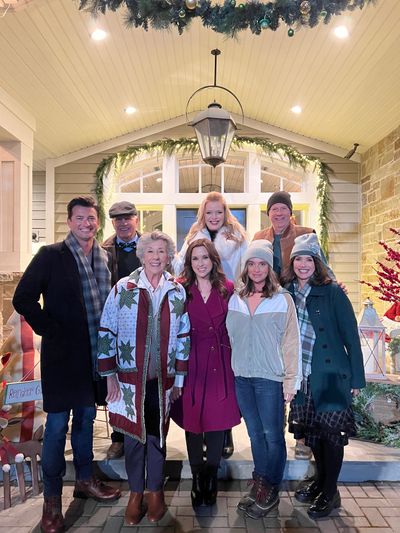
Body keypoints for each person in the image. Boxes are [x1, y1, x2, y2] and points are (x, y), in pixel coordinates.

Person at [13, 196, 121, 533]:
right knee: (57, 428)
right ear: (69, 221)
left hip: (94, 356)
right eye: (79, 218)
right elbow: (22, 298)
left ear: (97, 222)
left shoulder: (104, 257)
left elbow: (110, 303)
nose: (86, 223)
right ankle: (52, 502)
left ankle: (86, 479)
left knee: (87, 421)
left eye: (91, 218)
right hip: (63, 358)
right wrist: (50, 328)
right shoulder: (51, 256)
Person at [97, 230, 190, 525]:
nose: (156, 257)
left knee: (156, 437)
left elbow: (184, 337)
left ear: (168, 256)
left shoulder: (177, 290)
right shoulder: (123, 288)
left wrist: (179, 380)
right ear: (142, 254)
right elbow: (106, 331)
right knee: (133, 439)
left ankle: (156, 494)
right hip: (128, 381)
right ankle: (136, 495)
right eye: (151, 251)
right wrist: (109, 375)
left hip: (162, 381)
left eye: (162, 252)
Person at [283, 233, 366, 519]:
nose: (303, 264)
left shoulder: (332, 292)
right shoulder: (286, 291)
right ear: (291, 262)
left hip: (331, 374)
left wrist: (357, 379)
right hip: (302, 377)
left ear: (317, 262)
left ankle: (330, 491)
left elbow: (351, 337)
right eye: (298, 259)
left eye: (309, 259)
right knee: (314, 436)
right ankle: (321, 480)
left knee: (331, 437)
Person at [253, 190, 333, 460]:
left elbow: (321, 265)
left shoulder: (305, 233)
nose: (278, 213)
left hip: (298, 302)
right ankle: (276, 423)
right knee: (275, 367)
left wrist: (335, 285)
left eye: (282, 209)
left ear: (290, 212)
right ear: (268, 213)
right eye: (273, 209)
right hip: (268, 307)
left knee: (298, 365)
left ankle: (302, 436)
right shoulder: (259, 237)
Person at [226, 240, 301, 519]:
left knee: (273, 435)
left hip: (270, 379)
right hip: (242, 378)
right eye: (251, 263)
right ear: (245, 267)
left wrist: (290, 381)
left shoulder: (282, 300)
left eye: (262, 264)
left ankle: (270, 488)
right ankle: (260, 481)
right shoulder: (236, 298)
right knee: (255, 434)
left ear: (269, 268)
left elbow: (291, 344)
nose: (256, 269)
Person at [173, 191, 248, 458]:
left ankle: (223, 432)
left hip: (223, 298)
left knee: (220, 385)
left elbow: (245, 269)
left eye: (219, 212)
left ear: (225, 212)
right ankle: (202, 433)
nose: (214, 217)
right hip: (199, 301)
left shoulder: (237, 237)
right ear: (203, 214)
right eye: (209, 212)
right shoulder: (194, 237)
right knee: (199, 387)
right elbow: (181, 263)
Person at [171, 239, 241, 507]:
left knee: (215, 421)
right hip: (190, 360)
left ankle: (210, 477)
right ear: (189, 263)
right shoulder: (180, 289)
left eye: (205, 258)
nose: (200, 263)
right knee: (193, 420)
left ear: (213, 260)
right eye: (195, 259)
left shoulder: (229, 289)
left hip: (221, 360)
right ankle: (197, 475)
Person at [102, 200, 141, 460]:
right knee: (116, 381)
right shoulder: (104, 249)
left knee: (143, 380)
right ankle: (118, 437)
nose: (123, 223)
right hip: (117, 322)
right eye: (118, 219)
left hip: (145, 320)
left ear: (136, 219)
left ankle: (143, 432)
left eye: (128, 217)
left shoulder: (150, 245)